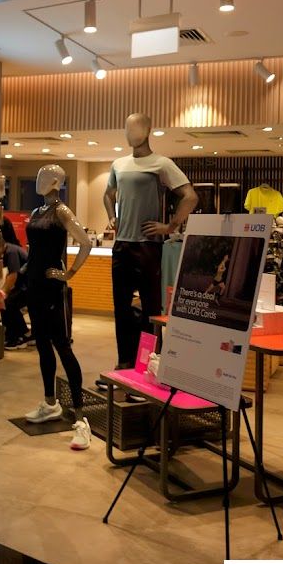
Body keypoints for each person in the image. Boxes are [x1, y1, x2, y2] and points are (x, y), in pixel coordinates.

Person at [104, 113, 198, 373]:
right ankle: (124, 361)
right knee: (121, 307)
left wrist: (170, 226)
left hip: (148, 245)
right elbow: (108, 195)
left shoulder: (161, 163)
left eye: (133, 127)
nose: (128, 133)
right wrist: (113, 218)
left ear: (147, 130)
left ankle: (150, 361)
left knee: (150, 308)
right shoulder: (119, 164)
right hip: (122, 245)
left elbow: (190, 196)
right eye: (126, 128)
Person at [22, 164, 93, 451]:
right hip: (35, 285)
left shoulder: (61, 211)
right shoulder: (36, 213)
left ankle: (81, 418)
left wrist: (69, 273)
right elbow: (35, 249)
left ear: (55, 182)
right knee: (41, 344)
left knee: (63, 346)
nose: (39, 179)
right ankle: (50, 402)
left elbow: (86, 242)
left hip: (53, 288)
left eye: (45, 176)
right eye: (37, 174)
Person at [0, 227, 30, 349]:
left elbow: (13, 275)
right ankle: (23, 332)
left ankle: (15, 338)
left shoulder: (10, 252)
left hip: (29, 287)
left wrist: (2, 292)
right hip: (26, 285)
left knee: (8, 303)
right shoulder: (9, 249)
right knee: (8, 302)